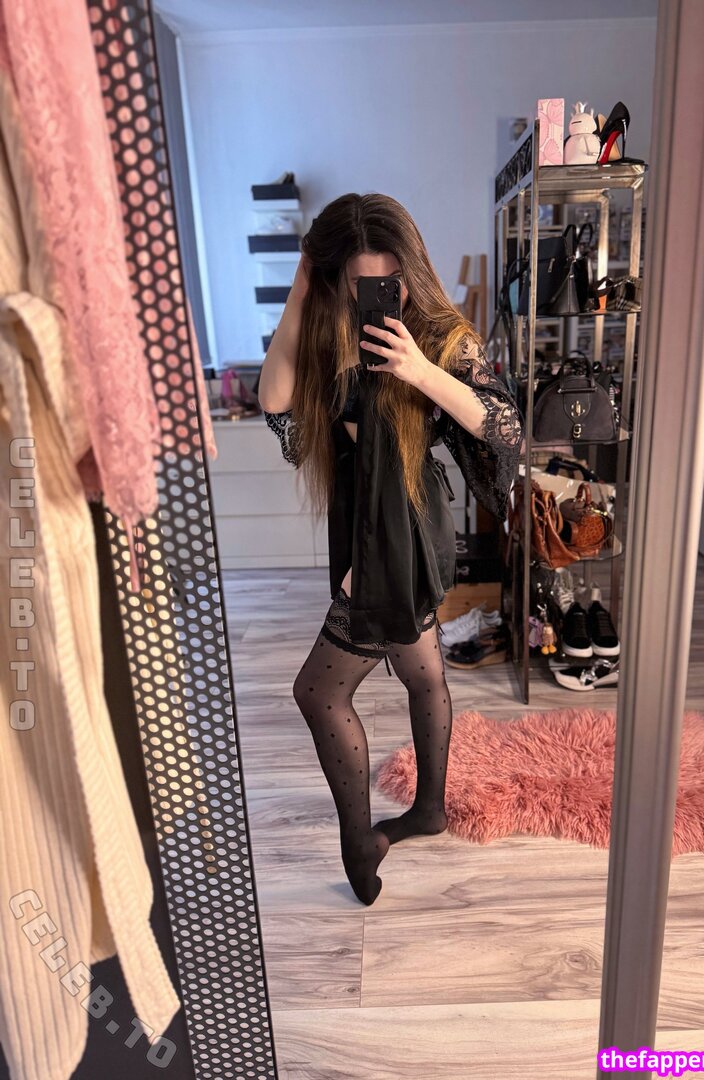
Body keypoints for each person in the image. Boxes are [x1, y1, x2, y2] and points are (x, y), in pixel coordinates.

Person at [259, 192, 523, 905]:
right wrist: (301, 290)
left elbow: (505, 427)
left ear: (411, 269)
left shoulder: (438, 333)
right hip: (365, 520)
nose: (382, 294)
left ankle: (358, 843)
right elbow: (275, 400)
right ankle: (430, 809)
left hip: (402, 529)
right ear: (338, 277)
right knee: (421, 668)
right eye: (362, 282)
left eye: (392, 280)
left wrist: (418, 369)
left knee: (319, 691)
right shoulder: (326, 325)